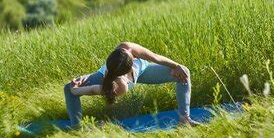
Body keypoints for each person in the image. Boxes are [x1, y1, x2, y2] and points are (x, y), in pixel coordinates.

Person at [63, 42, 200, 127]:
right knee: (67, 88)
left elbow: (154, 57)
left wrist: (176, 66)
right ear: (129, 67)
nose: (134, 56)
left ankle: (184, 119)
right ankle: (77, 127)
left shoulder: (125, 48)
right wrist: (75, 89)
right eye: (133, 58)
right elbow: (91, 90)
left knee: (184, 71)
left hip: (143, 71)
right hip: (117, 79)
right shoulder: (119, 86)